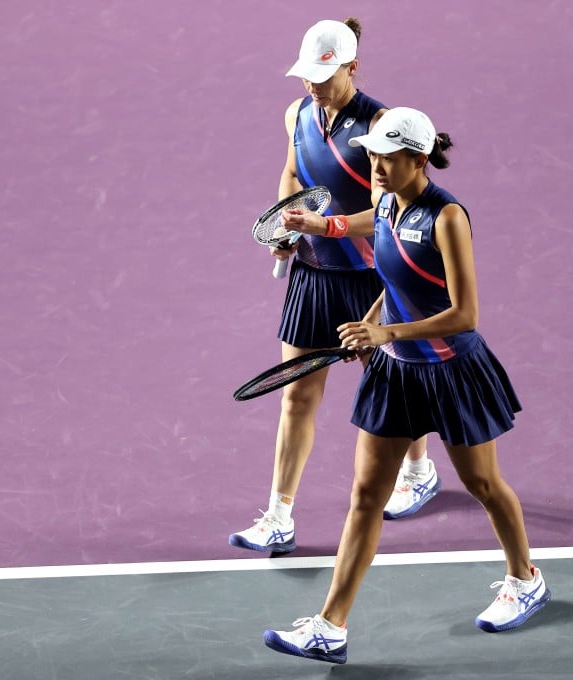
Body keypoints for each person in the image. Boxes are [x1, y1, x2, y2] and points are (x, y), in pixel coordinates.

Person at [262, 107, 550, 664]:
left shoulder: (447, 218)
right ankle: (330, 626)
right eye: (371, 155)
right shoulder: (388, 204)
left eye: (386, 158)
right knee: (366, 496)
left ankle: (526, 577)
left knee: (484, 484)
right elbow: (389, 276)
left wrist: (385, 329)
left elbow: (466, 313)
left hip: (452, 372)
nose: (374, 166)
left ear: (418, 160)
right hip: (397, 372)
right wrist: (369, 328)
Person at [229, 20, 440, 555]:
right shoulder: (296, 113)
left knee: (393, 389)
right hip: (313, 275)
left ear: (354, 67)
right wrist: (286, 223)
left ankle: (418, 470)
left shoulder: (381, 125)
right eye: (306, 75)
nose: (313, 85)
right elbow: (294, 175)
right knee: (297, 393)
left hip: (371, 278)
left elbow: (391, 209)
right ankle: (278, 516)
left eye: (325, 75)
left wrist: (326, 227)